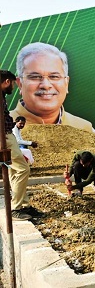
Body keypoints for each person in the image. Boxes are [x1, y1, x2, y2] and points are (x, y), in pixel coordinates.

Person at [11, 42, 95, 132]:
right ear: (20, 84)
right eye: (35, 77)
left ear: (66, 83)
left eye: (54, 77)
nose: (46, 85)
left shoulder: (84, 129)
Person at [1, 70, 42, 220]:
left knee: (14, 171)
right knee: (23, 170)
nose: (13, 88)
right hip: (4, 137)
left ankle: (23, 205)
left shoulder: (2, 97)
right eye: (12, 84)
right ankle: (16, 208)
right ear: (6, 82)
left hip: (6, 135)